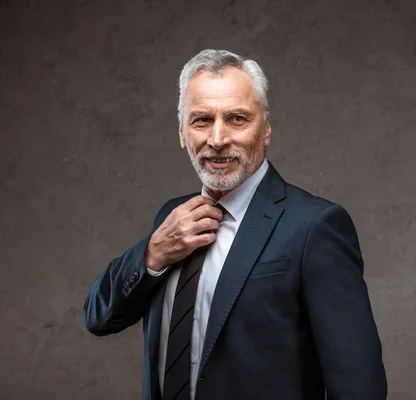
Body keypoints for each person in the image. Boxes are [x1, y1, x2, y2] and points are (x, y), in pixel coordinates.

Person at [84, 49, 387, 400]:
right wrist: (153, 253)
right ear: (183, 133)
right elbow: (99, 318)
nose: (217, 139)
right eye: (201, 120)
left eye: (237, 119)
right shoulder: (172, 219)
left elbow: (359, 386)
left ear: (266, 129)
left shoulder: (315, 227)